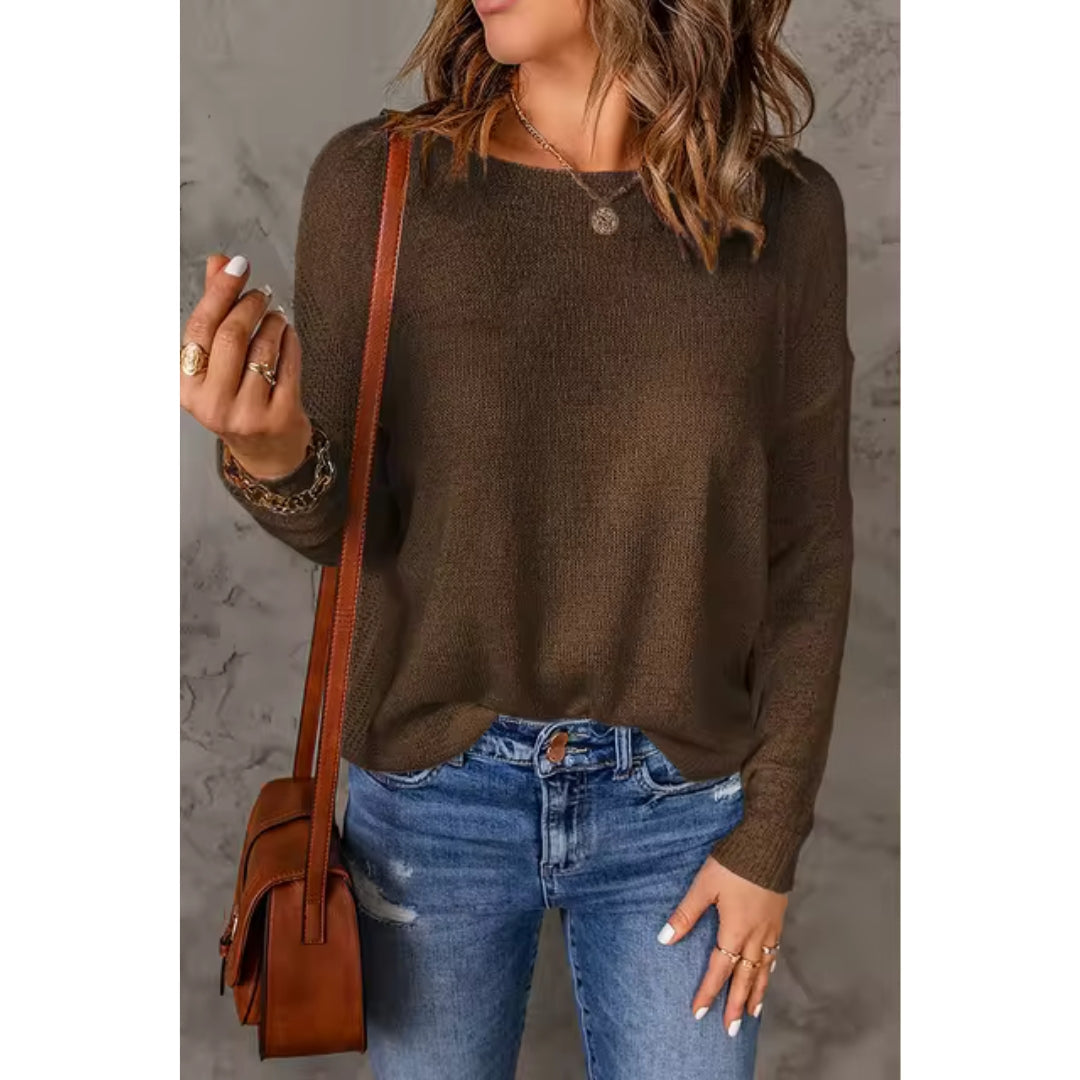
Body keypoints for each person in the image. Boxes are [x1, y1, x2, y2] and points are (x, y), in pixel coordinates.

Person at [180, 1, 855, 1076]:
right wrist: (271, 453)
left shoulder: (784, 214)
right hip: (431, 800)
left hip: (681, 813)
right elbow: (350, 530)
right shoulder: (380, 186)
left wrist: (768, 840)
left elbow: (809, 554)